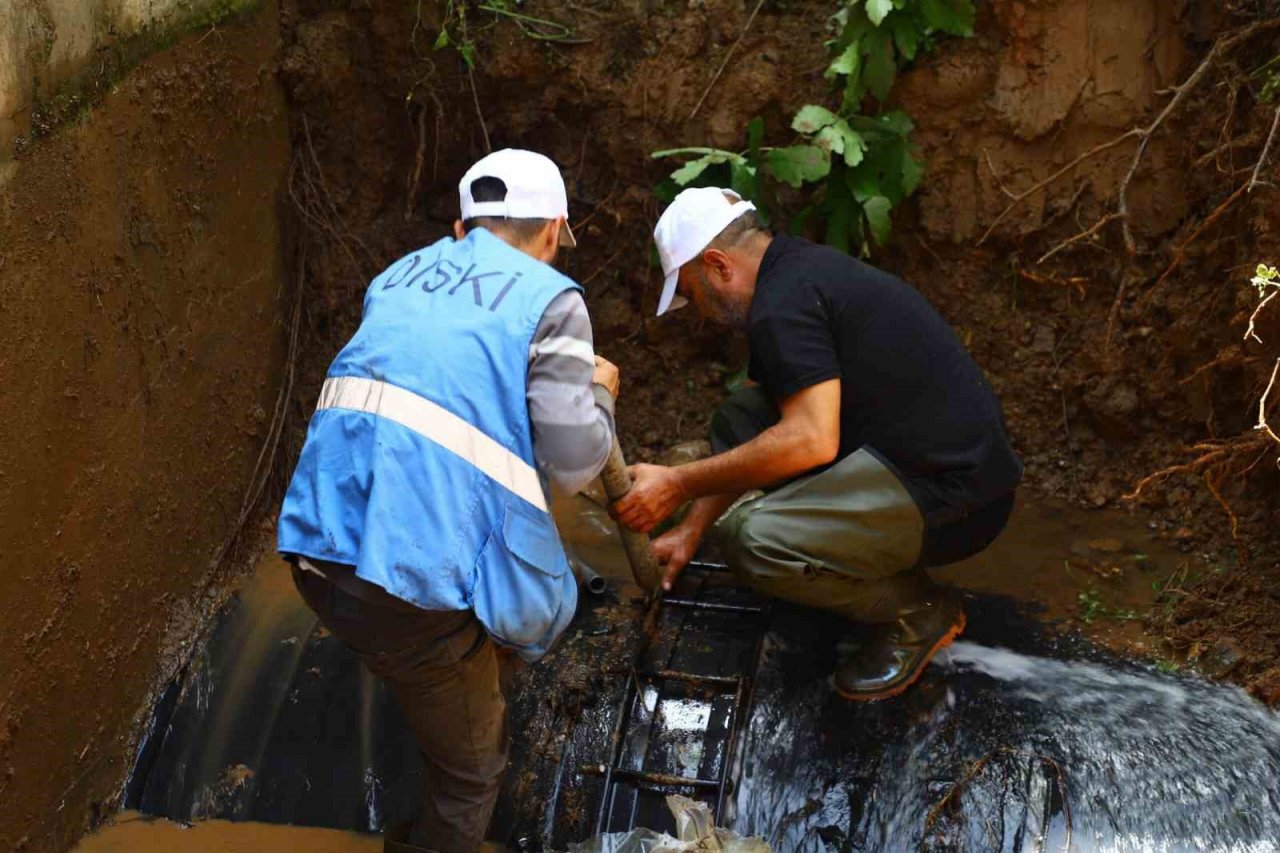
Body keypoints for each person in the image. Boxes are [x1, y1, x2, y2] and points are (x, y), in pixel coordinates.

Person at [277, 149, 619, 852]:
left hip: (314, 549)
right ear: (554, 231)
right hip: (405, 593)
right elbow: (574, 462)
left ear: (461, 228)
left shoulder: (396, 276)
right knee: (472, 772)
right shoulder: (551, 301)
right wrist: (602, 393)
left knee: (468, 641)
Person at [612, 186, 1022, 702]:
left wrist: (677, 483)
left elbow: (810, 441)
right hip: (923, 461)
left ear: (718, 265)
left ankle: (916, 610)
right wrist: (693, 528)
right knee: (744, 412)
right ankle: (841, 559)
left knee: (752, 539)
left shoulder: (782, 305)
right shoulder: (796, 272)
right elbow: (756, 424)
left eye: (692, 294)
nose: (700, 315)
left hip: (955, 496)